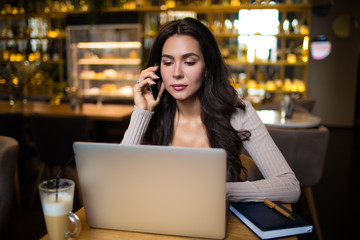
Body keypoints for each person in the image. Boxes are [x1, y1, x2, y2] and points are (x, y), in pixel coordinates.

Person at [121, 17, 300, 203]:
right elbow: (118, 181)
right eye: (167, 63)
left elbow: (290, 186)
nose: (176, 73)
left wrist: (222, 190)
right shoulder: (151, 115)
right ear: (157, 70)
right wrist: (141, 112)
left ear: (207, 68)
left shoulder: (238, 112)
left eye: (189, 62)